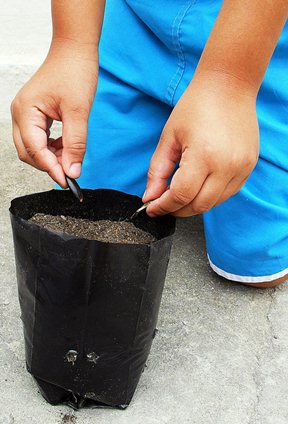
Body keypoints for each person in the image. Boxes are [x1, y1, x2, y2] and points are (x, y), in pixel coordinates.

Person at [11, 0, 288, 288]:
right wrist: (71, 46)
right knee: (91, 211)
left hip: (259, 37)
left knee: (254, 262)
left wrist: (230, 85)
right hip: (142, 27)